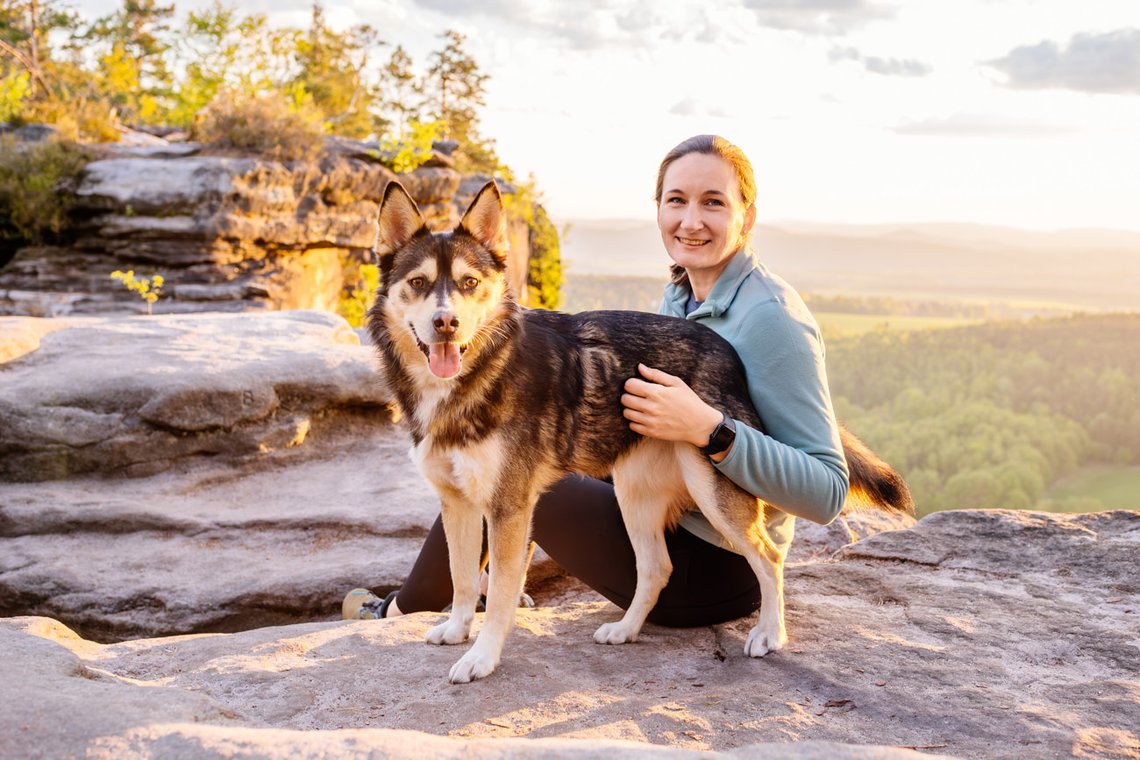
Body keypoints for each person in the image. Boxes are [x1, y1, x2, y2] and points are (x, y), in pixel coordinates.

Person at [345, 134, 849, 626]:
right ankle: (443, 600)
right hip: (659, 515)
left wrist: (710, 430)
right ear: (658, 209)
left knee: (511, 471)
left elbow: (827, 492)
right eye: (677, 200)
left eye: (713, 202)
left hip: (715, 569)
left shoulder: (772, 319)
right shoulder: (683, 295)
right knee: (486, 456)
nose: (691, 220)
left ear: (748, 216)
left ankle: (416, 609)